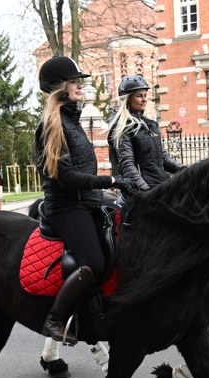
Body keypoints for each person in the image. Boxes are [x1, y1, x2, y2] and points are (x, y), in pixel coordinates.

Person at [35, 56, 131, 345]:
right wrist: (110, 181)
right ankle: (54, 319)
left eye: (80, 81)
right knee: (93, 262)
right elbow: (65, 177)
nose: (80, 86)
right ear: (59, 88)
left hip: (86, 199)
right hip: (65, 205)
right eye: (74, 81)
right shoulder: (52, 126)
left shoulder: (72, 121)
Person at [106, 75, 184, 192]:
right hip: (143, 194)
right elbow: (128, 165)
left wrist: (189, 170)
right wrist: (145, 191)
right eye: (139, 96)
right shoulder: (123, 127)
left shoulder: (151, 125)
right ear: (127, 99)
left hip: (161, 188)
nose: (144, 100)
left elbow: (164, 159)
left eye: (145, 95)